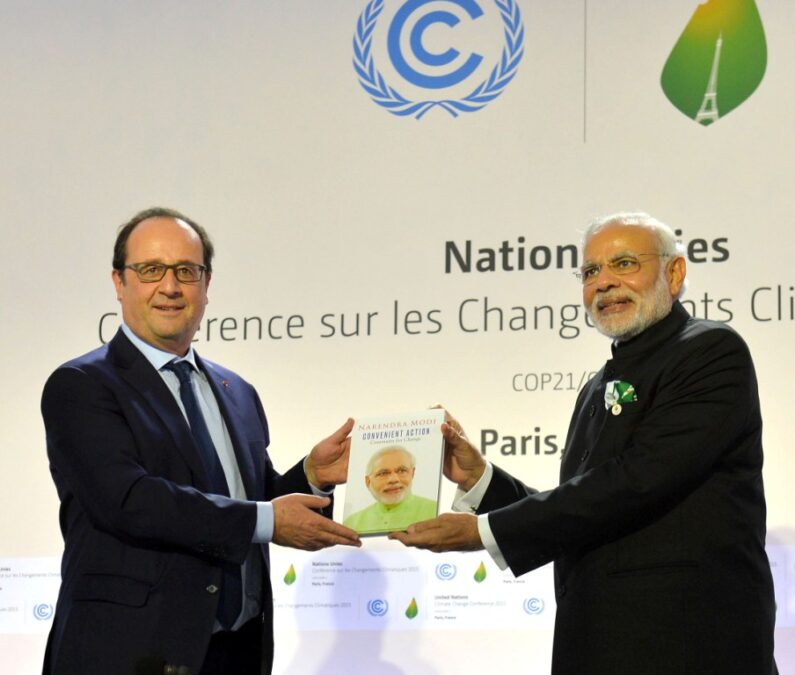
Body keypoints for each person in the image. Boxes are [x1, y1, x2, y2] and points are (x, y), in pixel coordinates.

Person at [392, 213, 778, 674]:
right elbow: (586, 513)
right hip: (600, 647)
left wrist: (481, 532)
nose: (605, 283)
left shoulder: (710, 351)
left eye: (624, 263)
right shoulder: (597, 386)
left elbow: (637, 482)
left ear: (674, 274)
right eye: (591, 272)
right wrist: (480, 479)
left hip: (688, 646)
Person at [41, 207, 361, 675]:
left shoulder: (237, 392)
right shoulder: (82, 385)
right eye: (150, 270)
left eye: (186, 271)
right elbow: (129, 501)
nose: (170, 287)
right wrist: (269, 518)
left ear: (207, 285)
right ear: (119, 282)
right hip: (132, 654)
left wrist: (313, 477)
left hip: (238, 651)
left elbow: (245, 502)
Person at [343, 446, 436, 534]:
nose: (393, 480)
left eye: (401, 471)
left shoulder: (434, 511)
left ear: (412, 474)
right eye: (383, 473)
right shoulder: (352, 523)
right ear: (368, 481)